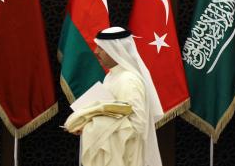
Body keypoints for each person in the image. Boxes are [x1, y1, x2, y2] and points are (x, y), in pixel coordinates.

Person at [65, 27, 163, 166]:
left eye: (101, 47)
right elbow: (112, 115)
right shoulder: (111, 77)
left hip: (126, 158)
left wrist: (93, 127)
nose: (96, 52)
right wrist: (87, 123)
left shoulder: (129, 80)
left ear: (116, 50)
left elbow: (137, 125)